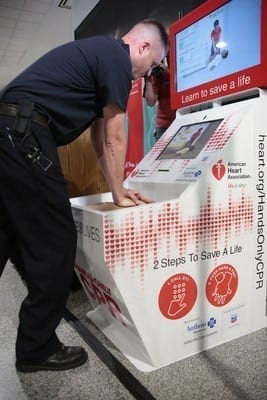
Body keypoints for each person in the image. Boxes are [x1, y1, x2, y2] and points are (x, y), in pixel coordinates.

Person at [0, 19, 168, 373]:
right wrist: (120, 195)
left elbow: (97, 138)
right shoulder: (116, 58)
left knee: (7, 232)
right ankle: (36, 349)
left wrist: (114, 189)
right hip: (24, 133)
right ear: (142, 48)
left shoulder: (97, 56)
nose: (145, 75)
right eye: (152, 64)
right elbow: (113, 137)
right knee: (56, 242)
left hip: (8, 132)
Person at [143, 53, 176, 141]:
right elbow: (151, 102)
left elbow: (178, 83)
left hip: (182, 118)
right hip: (164, 125)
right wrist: (148, 79)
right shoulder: (157, 75)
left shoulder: (175, 66)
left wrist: (165, 69)